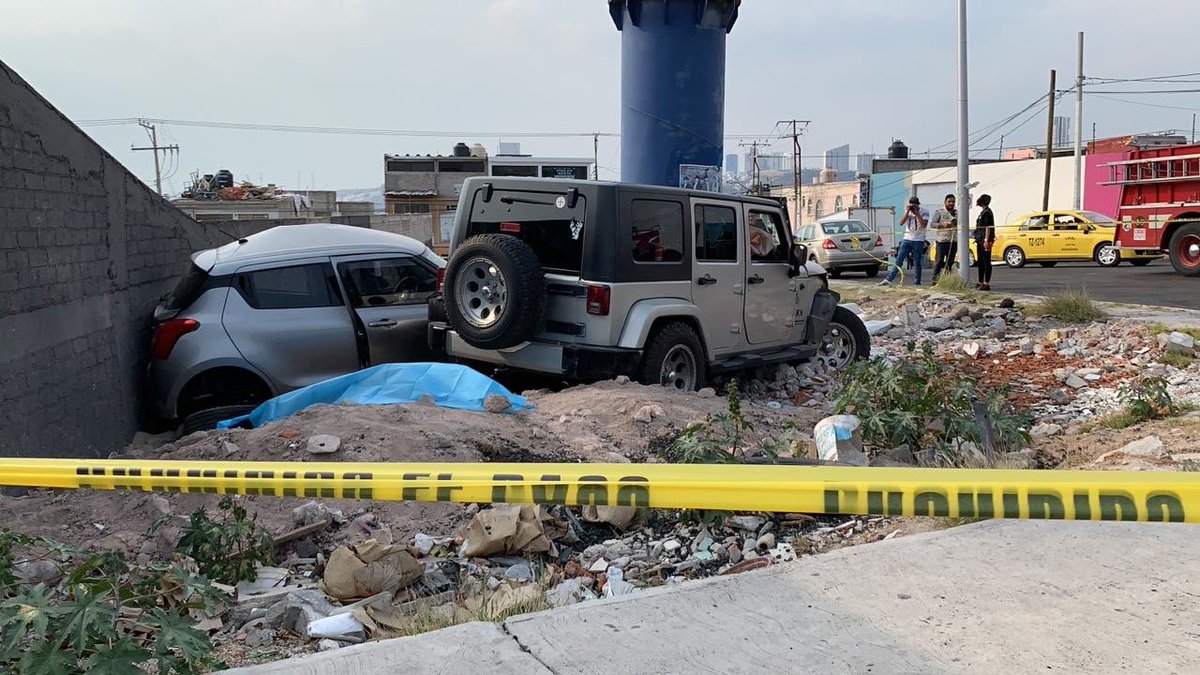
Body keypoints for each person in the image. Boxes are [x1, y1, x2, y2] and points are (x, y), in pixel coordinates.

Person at [880, 196, 929, 286]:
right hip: (907, 238)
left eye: (915, 205)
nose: (913, 207)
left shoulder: (924, 211)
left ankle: (917, 282)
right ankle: (889, 279)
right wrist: (907, 212)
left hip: (918, 239)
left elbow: (923, 225)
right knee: (899, 259)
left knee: (917, 261)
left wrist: (917, 214)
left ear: (918, 205)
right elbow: (901, 223)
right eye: (911, 205)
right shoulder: (908, 211)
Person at [930, 194, 958, 281]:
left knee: (950, 262)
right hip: (942, 241)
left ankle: (947, 280)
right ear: (945, 202)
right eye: (949, 201)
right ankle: (935, 280)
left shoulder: (957, 213)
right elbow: (932, 224)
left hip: (953, 241)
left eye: (953, 202)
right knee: (939, 261)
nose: (951, 203)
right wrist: (942, 225)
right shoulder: (940, 211)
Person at [974, 194, 996, 290]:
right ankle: (980, 281)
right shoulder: (982, 212)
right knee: (980, 261)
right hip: (980, 239)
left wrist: (986, 240)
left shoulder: (987, 212)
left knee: (986, 261)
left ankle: (986, 283)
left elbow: (988, 227)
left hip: (985, 240)